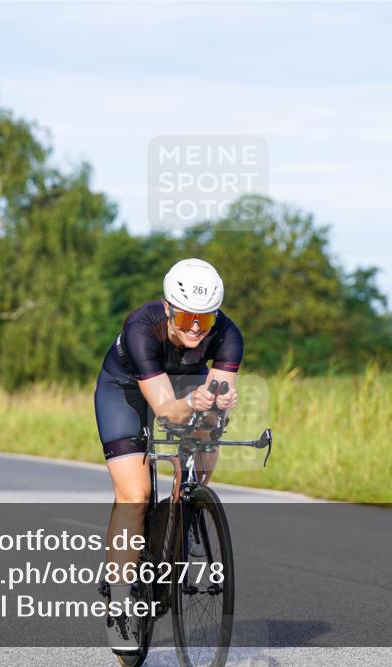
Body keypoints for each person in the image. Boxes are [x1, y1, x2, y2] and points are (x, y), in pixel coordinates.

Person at [94, 258, 242, 655]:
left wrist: (217, 404)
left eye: (204, 319)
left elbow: (216, 398)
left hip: (184, 383)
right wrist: (192, 402)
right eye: (186, 317)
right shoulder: (142, 328)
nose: (195, 327)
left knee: (209, 427)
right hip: (125, 391)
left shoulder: (228, 334)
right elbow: (165, 410)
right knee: (135, 494)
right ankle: (121, 603)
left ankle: (188, 507)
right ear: (167, 307)